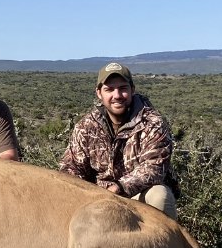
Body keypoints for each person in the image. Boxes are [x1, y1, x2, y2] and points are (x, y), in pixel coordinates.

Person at [59, 62, 179, 219]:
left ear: (132, 90)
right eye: (109, 89)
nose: (117, 95)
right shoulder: (86, 126)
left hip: (136, 197)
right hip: (96, 199)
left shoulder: (153, 123)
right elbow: (71, 167)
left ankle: (165, 242)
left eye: (123, 88)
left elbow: (154, 169)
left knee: (159, 195)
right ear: (99, 93)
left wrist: (118, 188)